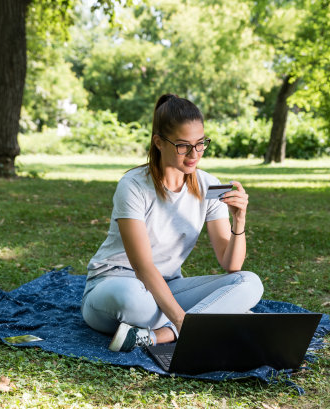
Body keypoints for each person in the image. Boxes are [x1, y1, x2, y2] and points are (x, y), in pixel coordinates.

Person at [81, 94, 264, 352]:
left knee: (249, 283)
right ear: (159, 142)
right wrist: (183, 320)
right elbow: (143, 268)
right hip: (115, 287)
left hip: (168, 288)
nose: (194, 154)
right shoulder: (133, 186)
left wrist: (239, 219)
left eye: (201, 144)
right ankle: (209, 318)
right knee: (135, 300)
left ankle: (160, 335)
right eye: (183, 146)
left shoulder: (209, 185)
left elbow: (230, 263)